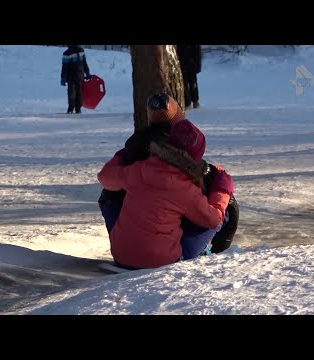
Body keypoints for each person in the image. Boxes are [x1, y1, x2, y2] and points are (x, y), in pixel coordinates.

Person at [98, 92, 239, 256]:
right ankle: (218, 255)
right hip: (159, 256)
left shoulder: (139, 167)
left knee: (112, 195)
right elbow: (212, 219)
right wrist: (222, 188)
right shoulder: (184, 186)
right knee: (222, 210)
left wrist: (121, 156)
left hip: (122, 253)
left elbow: (105, 177)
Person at [60, 45, 91, 114]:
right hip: (71, 76)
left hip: (80, 75)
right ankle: (71, 109)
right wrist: (63, 78)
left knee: (79, 93)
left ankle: (78, 109)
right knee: (72, 93)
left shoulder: (81, 51)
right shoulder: (67, 53)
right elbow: (65, 67)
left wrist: (88, 72)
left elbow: (84, 63)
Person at [176, 45, 202, 110]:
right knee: (184, 85)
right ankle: (187, 103)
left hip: (192, 65)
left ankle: (195, 101)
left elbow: (198, 54)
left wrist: (197, 66)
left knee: (193, 84)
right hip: (182, 65)